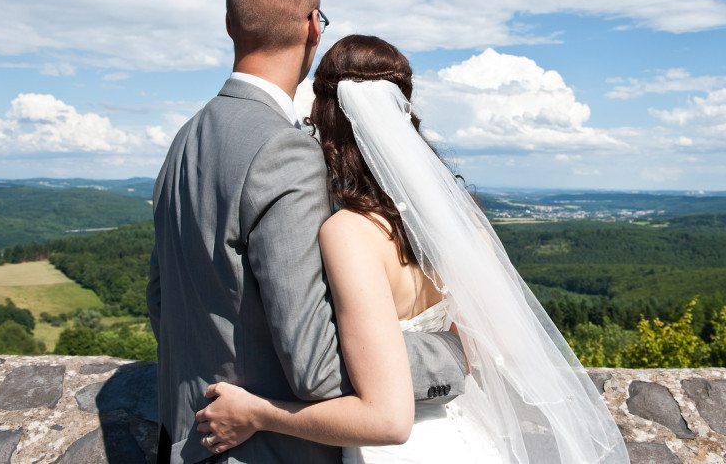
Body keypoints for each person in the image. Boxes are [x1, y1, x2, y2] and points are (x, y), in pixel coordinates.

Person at [195, 35, 631, 463]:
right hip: (464, 431)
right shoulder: (458, 225)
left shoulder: (351, 232)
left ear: (326, 119)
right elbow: (482, 349)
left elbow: (387, 420)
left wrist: (259, 414)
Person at [147, 0, 467, 464]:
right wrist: (451, 353)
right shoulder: (284, 150)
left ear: (230, 25)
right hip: (264, 450)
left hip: (186, 436)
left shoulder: (183, 141)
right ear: (312, 27)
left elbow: (161, 301)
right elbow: (316, 368)